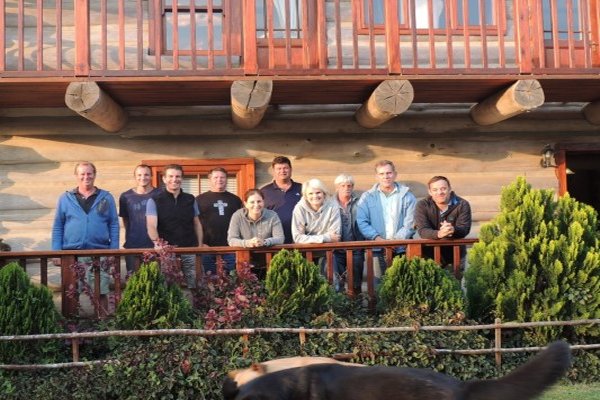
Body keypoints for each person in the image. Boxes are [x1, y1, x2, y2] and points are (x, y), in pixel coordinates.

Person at [51, 161, 119, 317]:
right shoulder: (65, 198)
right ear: (76, 175)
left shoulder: (106, 197)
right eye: (82, 173)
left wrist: (113, 251)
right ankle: (72, 325)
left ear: (94, 175)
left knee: (101, 290)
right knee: (72, 291)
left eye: (89, 173)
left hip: (99, 253)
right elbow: (58, 226)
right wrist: (56, 251)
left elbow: (114, 225)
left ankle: (102, 324)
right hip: (71, 254)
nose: (86, 177)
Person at [146, 164, 204, 289]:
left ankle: (197, 302)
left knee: (197, 285)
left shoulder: (190, 199)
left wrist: (199, 245)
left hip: (190, 249)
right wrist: (157, 243)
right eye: (171, 176)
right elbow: (151, 225)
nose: (174, 179)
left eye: (178, 176)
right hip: (167, 251)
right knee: (168, 288)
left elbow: (197, 223)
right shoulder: (155, 200)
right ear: (164, 179)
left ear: (182, 178)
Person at [356, 160, 417, 279]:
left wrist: (396, 241)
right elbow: (362, 221)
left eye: (389, 173)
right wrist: (377, 238)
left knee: (402, 283)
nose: (386, 176)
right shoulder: (367, 197)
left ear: (395, 174)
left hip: (401, 248)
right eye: (381, 174)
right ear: (376, 176)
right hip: (377, 248)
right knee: (379, 283)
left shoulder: (407, 196)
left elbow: (411, 222)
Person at [414, 176, 472, 270]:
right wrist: (439, 233)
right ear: (430, 192)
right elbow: (422, 230)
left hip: (455, 255)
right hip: (429, 255)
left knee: (455, 279)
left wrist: (453, 230)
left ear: (449, 189)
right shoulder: (422, 205)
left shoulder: (462, 204)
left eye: (443, 188)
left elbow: (464, 229)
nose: (439, 192)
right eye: (435, 190)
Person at [227, 188, 285, 277]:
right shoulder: (237, 216)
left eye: (259, 201)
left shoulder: (272, 215)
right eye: (252, 202)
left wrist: (264, 242)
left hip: (269, 263)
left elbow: (280, 238)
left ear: (263, 202)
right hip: (244, 263)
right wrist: (248, 243)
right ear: (245, 204)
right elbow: (231, 240)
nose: (256, 205)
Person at [196, 167, 243, 273]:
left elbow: (242, 222)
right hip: (207, 248)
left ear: (226, 179)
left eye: (222, 177)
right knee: (209, 279)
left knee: (231, 278)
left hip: (230, 248)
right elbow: (194, 223)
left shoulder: (235, 199)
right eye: (216, 177)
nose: (219, 180)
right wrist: (200, 243)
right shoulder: (199, 199)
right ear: (210, 179)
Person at [292, 179, 341, 278]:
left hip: (327, 253)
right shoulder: (299, 208)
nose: (315, 196)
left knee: (332, 283)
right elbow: (297, 237)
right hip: (304, 254)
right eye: (310, 193)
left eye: (318, 192)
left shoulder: (333, 206)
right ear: (305, 196)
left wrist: (308, 238)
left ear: (324, 193)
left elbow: (335, 235)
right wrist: (326, 238)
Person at [119, 164, 159, 273]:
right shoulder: (125, 196)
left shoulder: (159, 194)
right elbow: (126, 219)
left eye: (146, 174)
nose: (143, 177)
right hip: (133, 245)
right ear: (135, 177)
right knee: (133, 278)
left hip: (154, 246)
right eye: (139, 175)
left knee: (154, 279)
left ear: (151, 176)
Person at [333, 174, 365, 293]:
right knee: (338, 282)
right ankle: (340, 303)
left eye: (349, 185)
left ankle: (357, 303)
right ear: (337, 187)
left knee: (356, 282)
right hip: (336, 249)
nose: (346, 188)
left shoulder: (360, 202)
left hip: (356, 247)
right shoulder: (330, 203)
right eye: (343, 186)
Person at [261, 156, 302, 244]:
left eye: (285, 168)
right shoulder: (264, 192)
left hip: (299, 240)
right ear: (274, 171)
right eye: (279, 169)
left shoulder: (302, 189)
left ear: (290, 169)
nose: (282, 171)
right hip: (273, 241)